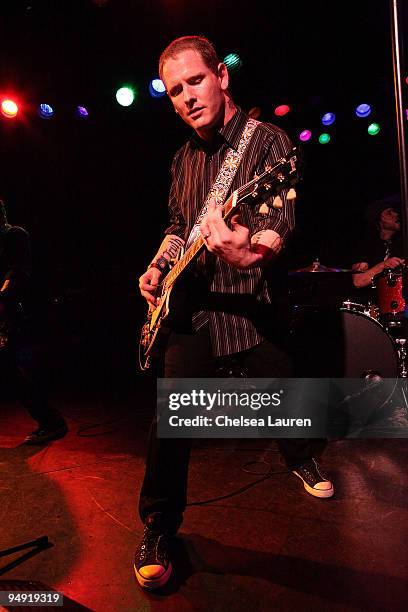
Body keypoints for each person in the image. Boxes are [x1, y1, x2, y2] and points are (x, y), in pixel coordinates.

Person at [135, 36, 334, 591]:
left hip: (251, 299)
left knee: (285, 385)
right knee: (172, 416)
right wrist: (158, 263)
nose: (186, 97)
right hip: (193, 306)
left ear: (221, 76)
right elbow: (178, 228)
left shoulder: (267, 142)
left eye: (194, 81)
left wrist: (256, 250)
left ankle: (302, 457)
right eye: (175, 91)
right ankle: (158, 525)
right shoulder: (180, 159)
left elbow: (281, 216)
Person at [0, 198, 68, 444]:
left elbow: (18, 274)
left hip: (17, 315)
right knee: (11, 373)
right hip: (8, 314)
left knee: (14, 373)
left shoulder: (15, 235)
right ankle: (51, 421)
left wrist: (4, 297)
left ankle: (52, 422)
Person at [352, 194, 404, 290]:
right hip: (373, 301)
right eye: (389, 213)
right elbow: (358, 281)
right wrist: (384, 265)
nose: (396, 214)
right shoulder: (366, 246)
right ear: (379, 220)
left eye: (394, 211)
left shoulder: (403, 243)